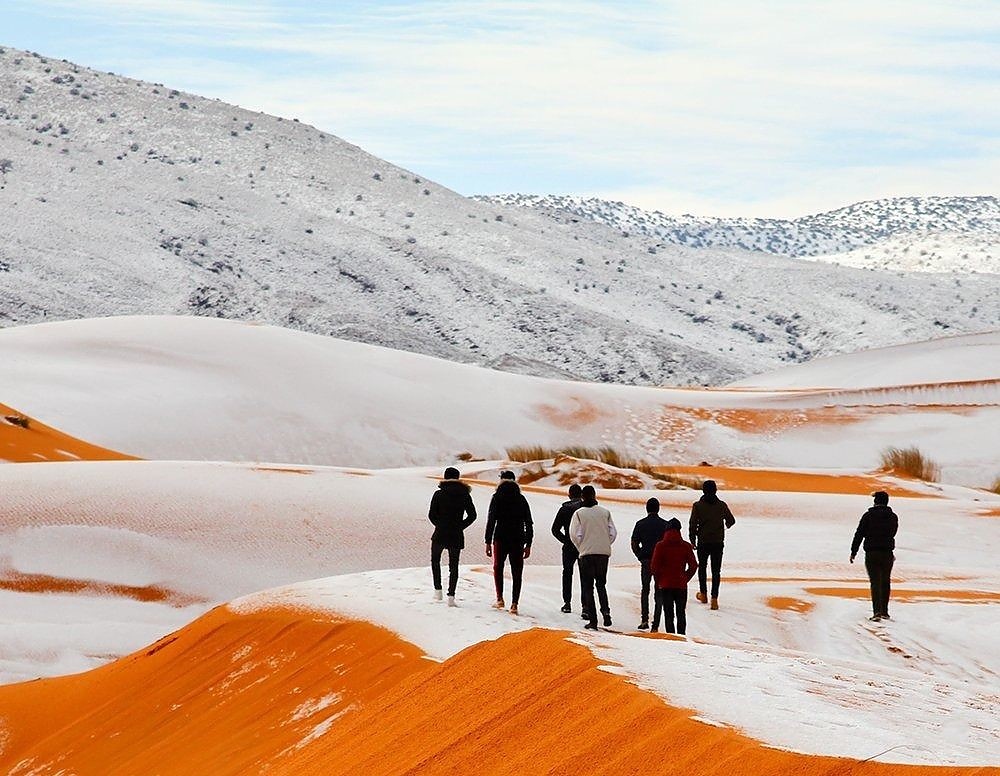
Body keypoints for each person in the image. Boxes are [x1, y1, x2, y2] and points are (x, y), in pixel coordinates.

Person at [485, 470, 533, 615]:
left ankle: (500, 598)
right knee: (517, 571)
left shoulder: (496, 497)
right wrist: (529, 543)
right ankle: (514, 604)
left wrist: (488, 541)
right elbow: (529, 523)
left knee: (498, 568)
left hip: (500, 537)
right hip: (518, 538)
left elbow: (491, 520)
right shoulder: (521, 499)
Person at [428, 466, 477, 606]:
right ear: (457, 478)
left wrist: (440, 524)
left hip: (440, 533)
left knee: (435, 561)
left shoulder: (438, 494)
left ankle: (438, 591)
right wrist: (460, 526)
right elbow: (472, 515)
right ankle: (451, 596)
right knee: (453, 566)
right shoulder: (465, 494)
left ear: (445, 477)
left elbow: (431, 515)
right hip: (456, 534)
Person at [570, 485, 617, 630]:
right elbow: (613, 533)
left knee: (588, 586)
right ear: (595, 495)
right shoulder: (605, 512)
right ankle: (606, 613)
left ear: (582, 497)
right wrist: (603, 543)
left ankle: (593, 620)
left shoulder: (579, 513)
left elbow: (575, 534)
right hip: (603, 554)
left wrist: (582, 546)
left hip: (586, 554)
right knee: (601, 584)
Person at [851, 491, 899, 622]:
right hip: (887, 553)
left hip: (872, 553)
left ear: (875, 501)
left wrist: (853, 551)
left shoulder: (868, 516)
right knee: (885, 581)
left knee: (875, 582)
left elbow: (859, 533)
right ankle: (885, 611)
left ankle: (877, 612)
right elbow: (893, 532)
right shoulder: (893, 517)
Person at [688, 479, 736, 610]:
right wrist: (724, 526)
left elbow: (692, 524)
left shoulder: (697, 506)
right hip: (718, 542)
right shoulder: (721, 505)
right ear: (715, 490)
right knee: (716, 571)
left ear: (703, 490)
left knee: (702, 567)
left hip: (703, 542)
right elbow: (731, 520)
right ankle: (714, 599)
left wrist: (692, 540)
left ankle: (703, 595)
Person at [650, 517, 698, 634]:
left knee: (668, 614)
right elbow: (694, 565)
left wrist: (659, 580)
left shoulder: (660, 546)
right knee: (681, 613)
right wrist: (685, 578)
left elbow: (654, 567)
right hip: (681, 585)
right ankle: (681, 636)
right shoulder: (685, 546)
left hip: (665, 585)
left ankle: (672, 638)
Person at [630, 497, 669, 630]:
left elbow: (634, 543)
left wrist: (640, 555)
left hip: (646, 560)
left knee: (645, 589)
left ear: (647, 509)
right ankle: (656, 624)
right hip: (661, 563)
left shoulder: (640, 524)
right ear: (658, 508)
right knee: (659, 592)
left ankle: (644, 620)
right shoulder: (665, 525)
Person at [551, 483, 583, 613]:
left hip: (569, 545)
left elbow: (554, 529)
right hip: (583, 545)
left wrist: (566, 540)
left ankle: (567, 603)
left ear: (569, 495)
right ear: (581, 495)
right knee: (585, 575)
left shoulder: (564, 509)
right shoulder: (584, 508)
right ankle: (585, 606)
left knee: (567, 573)